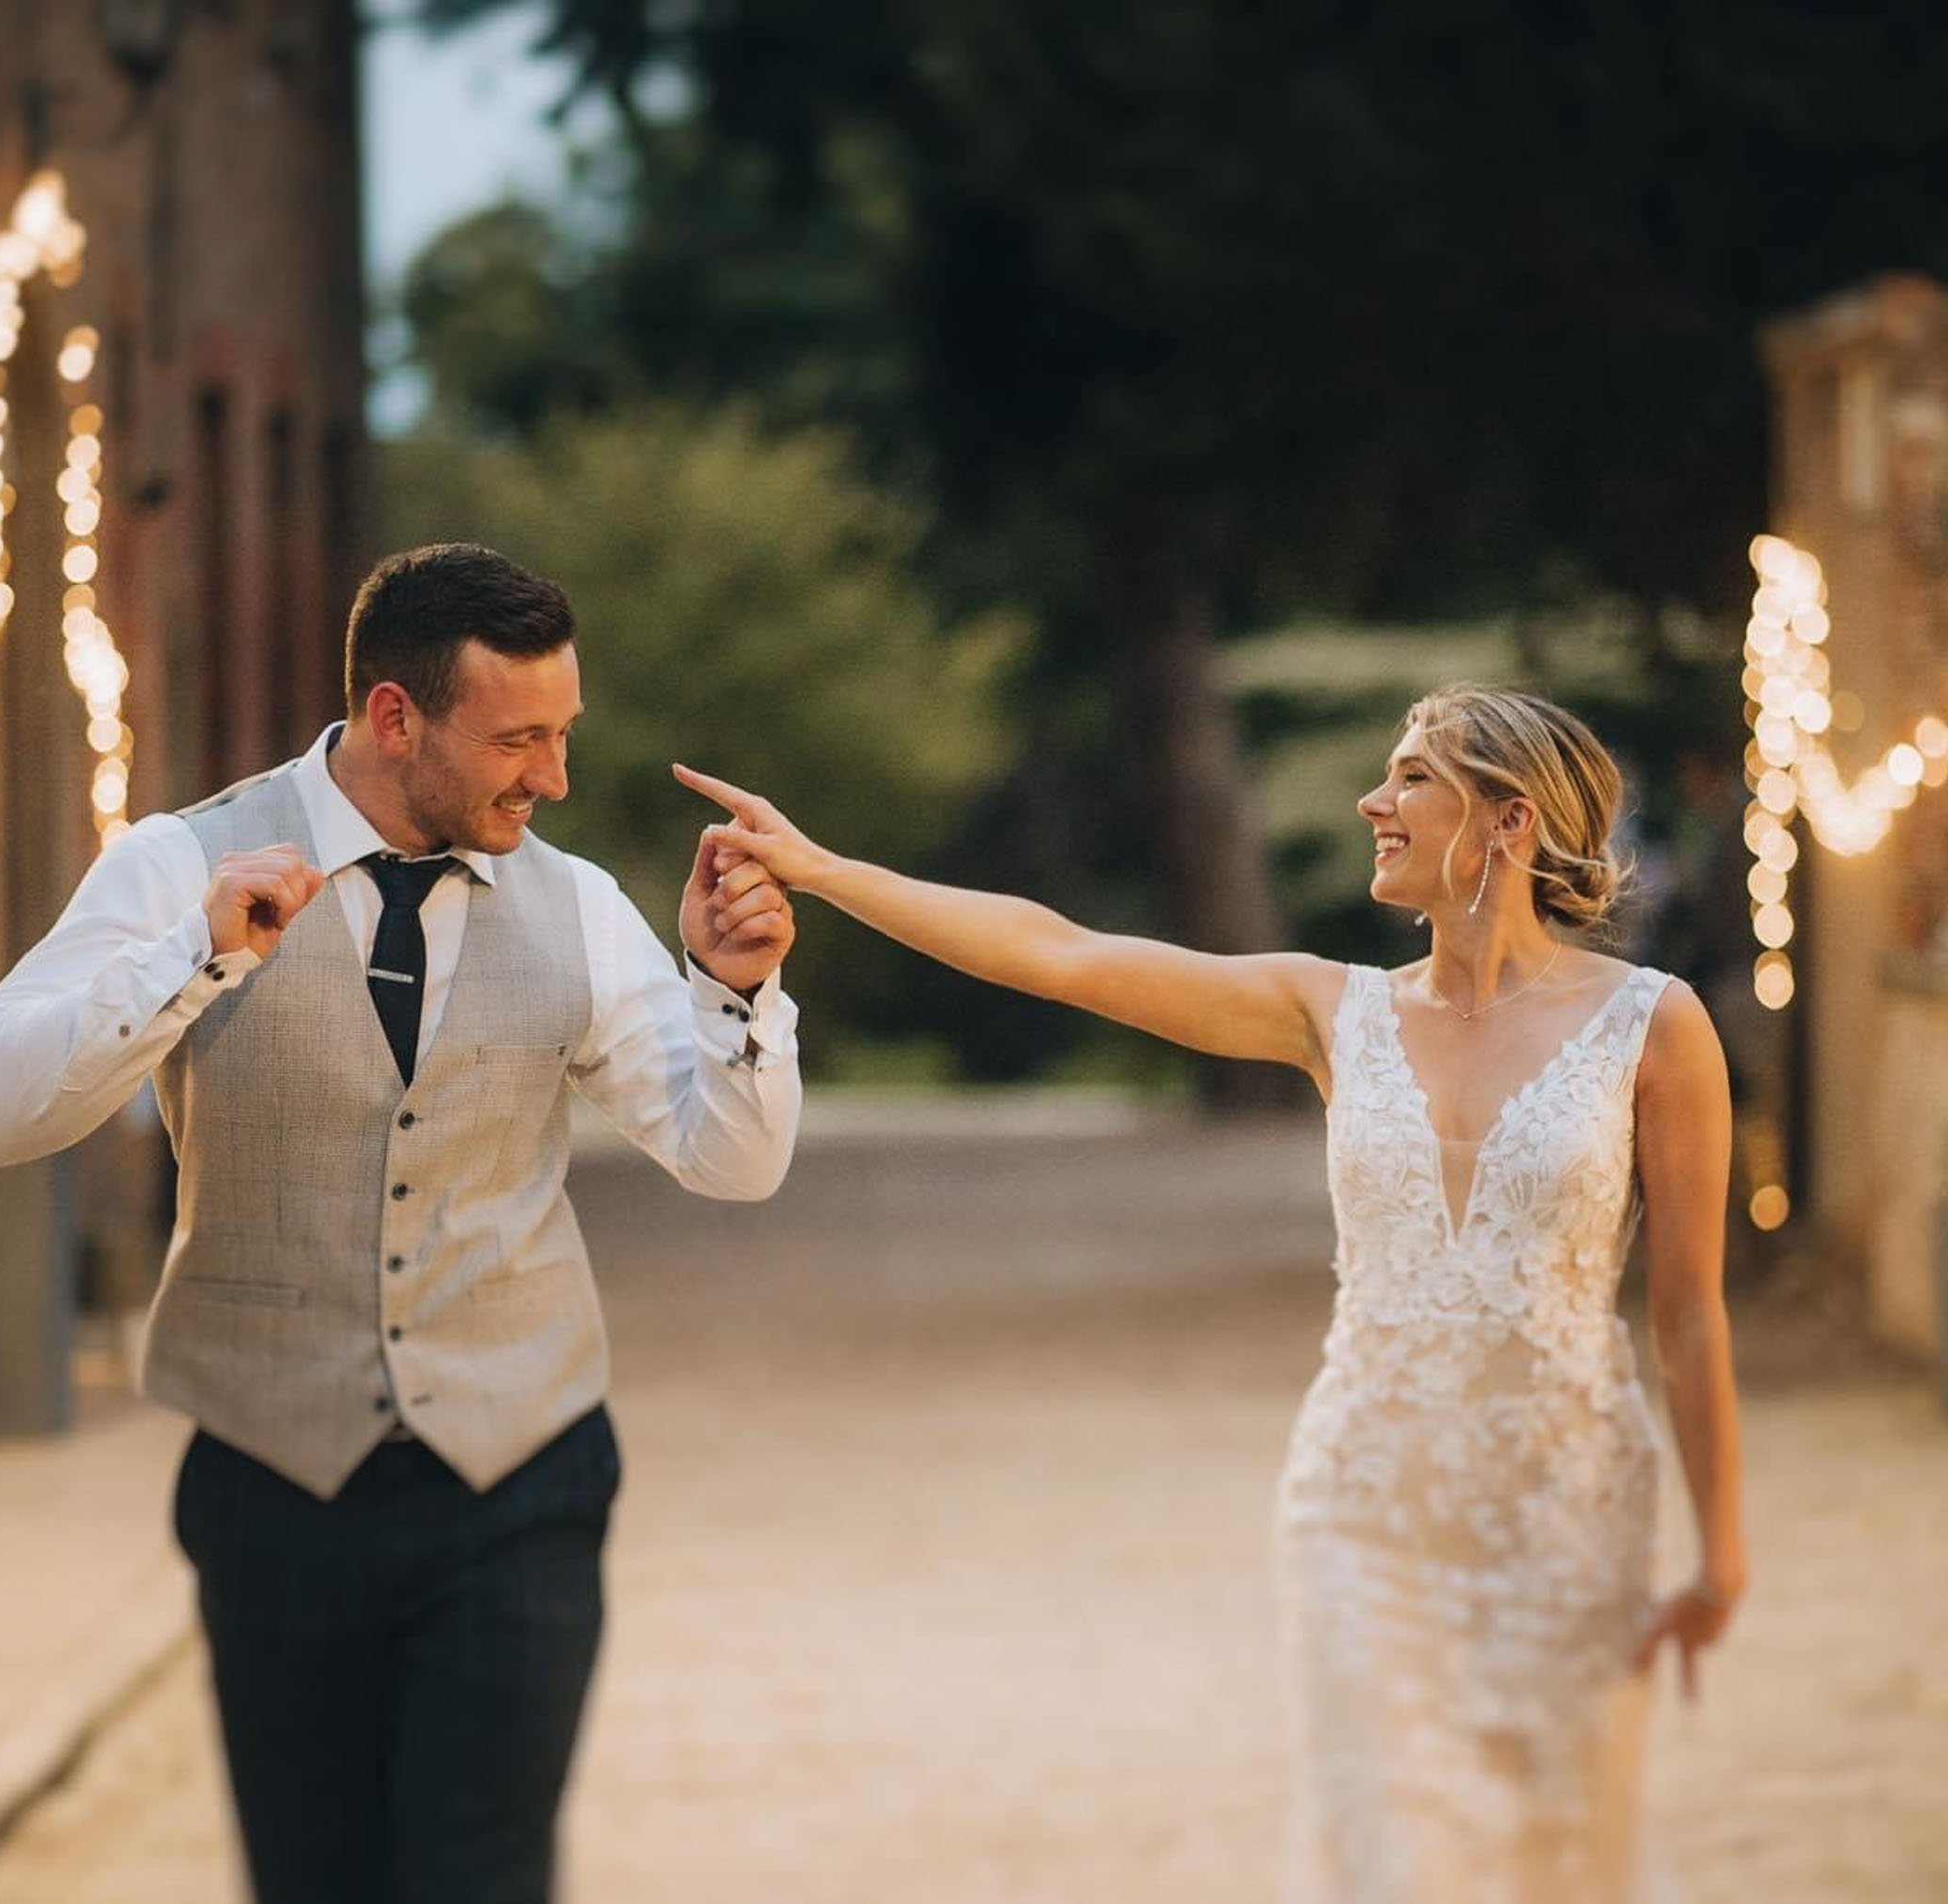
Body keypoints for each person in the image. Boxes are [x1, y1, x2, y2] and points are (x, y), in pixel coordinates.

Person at [676, 683, 1745, 1902]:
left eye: (1410, 777)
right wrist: (822, 872)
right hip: (1365, 1514)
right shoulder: (1333, 1011)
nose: (1372, 800)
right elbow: (1062, 953)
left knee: (1566, 1858)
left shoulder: (1656, 1028)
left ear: (1507, 823)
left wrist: (1723, 1552)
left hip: (1571, 1514)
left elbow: (1688, 1315)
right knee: (1388, 1857)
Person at [0, 543, 803, 1904]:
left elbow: (730, 1160)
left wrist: (734, 994)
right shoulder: (180, 862)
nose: (556, 776)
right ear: (396, 717)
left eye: (564, 734)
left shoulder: (575, 904)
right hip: (272, 1489)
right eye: (520, 739)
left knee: (482, 1878)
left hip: (520, 1482)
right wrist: (197, 957)